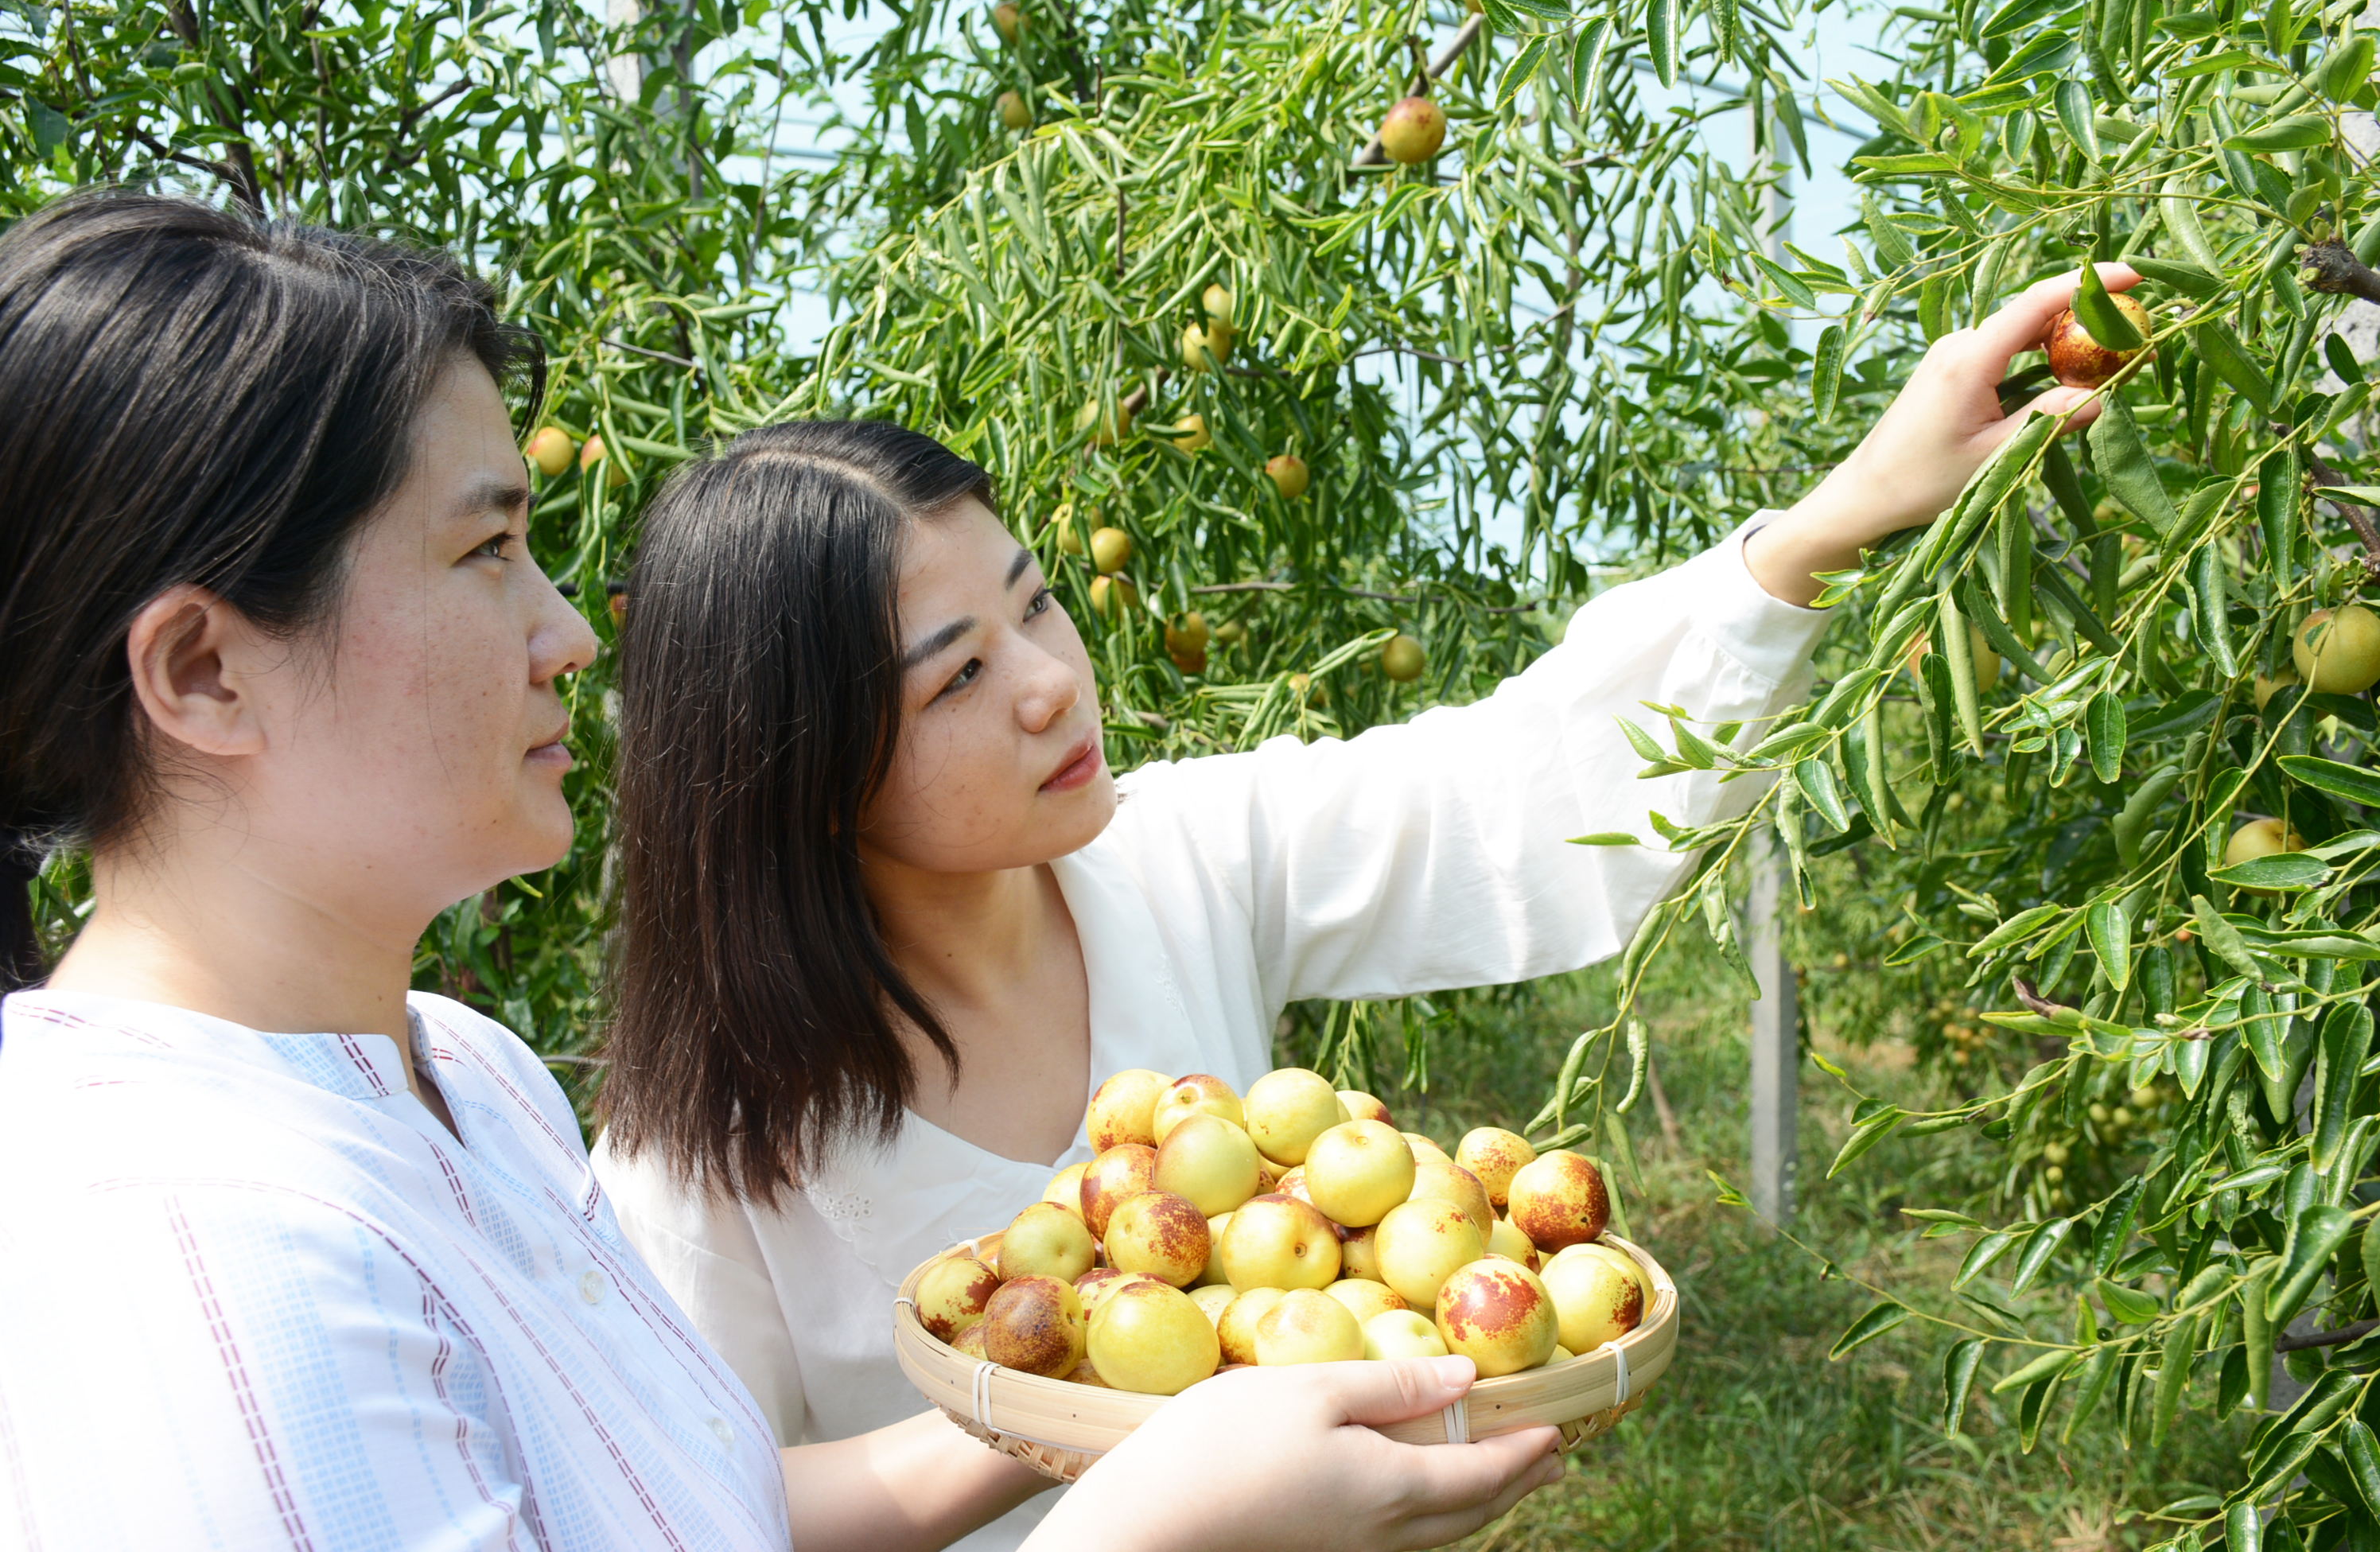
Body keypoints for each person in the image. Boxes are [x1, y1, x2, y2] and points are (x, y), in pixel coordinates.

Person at [0, 189, 1569, 1552]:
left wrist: (1123, 1382)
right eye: (486, 556)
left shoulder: (456, 1073)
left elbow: (689, 1507)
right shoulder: (193, 1263)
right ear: (205, 672)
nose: (566, 634)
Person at [591, 270, 2144, 1546]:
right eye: (960, 675)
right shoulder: (707, 1130)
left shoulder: (1174, 859)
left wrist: (1838, 516)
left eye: (1034, 600)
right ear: (796, 771)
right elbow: (666, 1508)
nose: (1054, 682)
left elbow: (1516, 792)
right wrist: (1080, 1412)